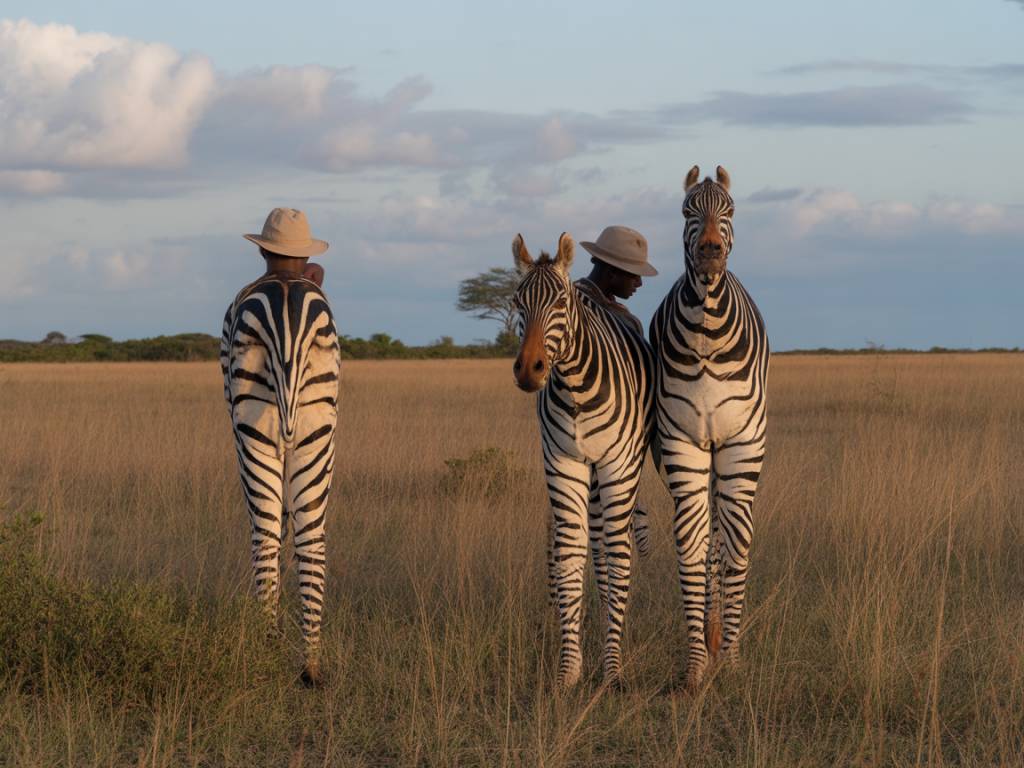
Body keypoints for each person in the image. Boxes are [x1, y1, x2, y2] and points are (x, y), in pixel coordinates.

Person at [577, 225, 658, 335]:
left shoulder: (569, 303)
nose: (639, 283)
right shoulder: (573, 309)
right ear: (612, 272)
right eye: (634, 275)